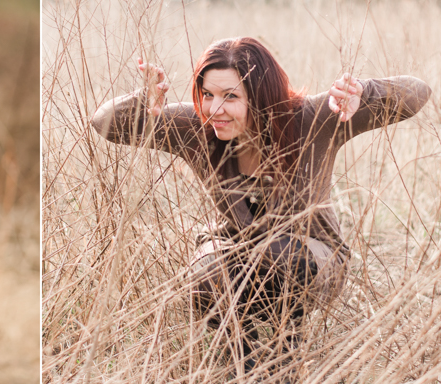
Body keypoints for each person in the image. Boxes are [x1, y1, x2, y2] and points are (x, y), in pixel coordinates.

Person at [91, 37, 430, 373]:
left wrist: (362, 91)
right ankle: (243, 360)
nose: (215, 109)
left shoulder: (311, 119)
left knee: (276, 253)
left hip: (313, 259)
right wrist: (143, 100)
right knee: (207, 273)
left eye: (231, 96)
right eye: (207, 94)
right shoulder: (199, 127)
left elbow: (417, 93)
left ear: (262, 96)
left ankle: (287, 354)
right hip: (233, 252)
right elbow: (104, 122)